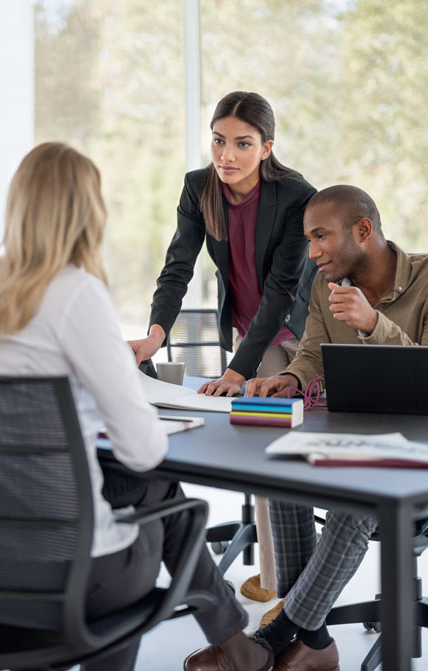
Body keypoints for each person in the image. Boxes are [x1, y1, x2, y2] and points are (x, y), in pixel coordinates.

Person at [0, 142, 274, 671]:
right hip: (73, 572)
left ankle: (239, 646)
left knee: (156, 494)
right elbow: (142, 448)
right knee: (168, 500)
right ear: (87, 212)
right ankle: (238, 645)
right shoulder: (76, 292)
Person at [188, 184, 428, 671]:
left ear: (363, 231)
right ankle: (314, 640)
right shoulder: (329, 287)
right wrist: (286, 378)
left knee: (359, 495)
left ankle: (275, 637)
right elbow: (311, 354)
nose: (313, 251)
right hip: (366, 434)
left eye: (321, 236)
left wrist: (373, 325)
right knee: (279, 471)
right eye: (308, 239)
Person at [129, 90, 317, 611]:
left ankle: (284, 582)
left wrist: (238, 370)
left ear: (266, 147)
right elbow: (177, 268)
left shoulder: (297, 195)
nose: (226, 155)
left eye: (241, 143)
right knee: (258, 439)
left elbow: (281, 291)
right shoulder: (199, 188)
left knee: (269, 437)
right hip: (243, 325)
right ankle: (278, 576)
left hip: (291, 331)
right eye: (218, 141)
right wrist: (154, 334)